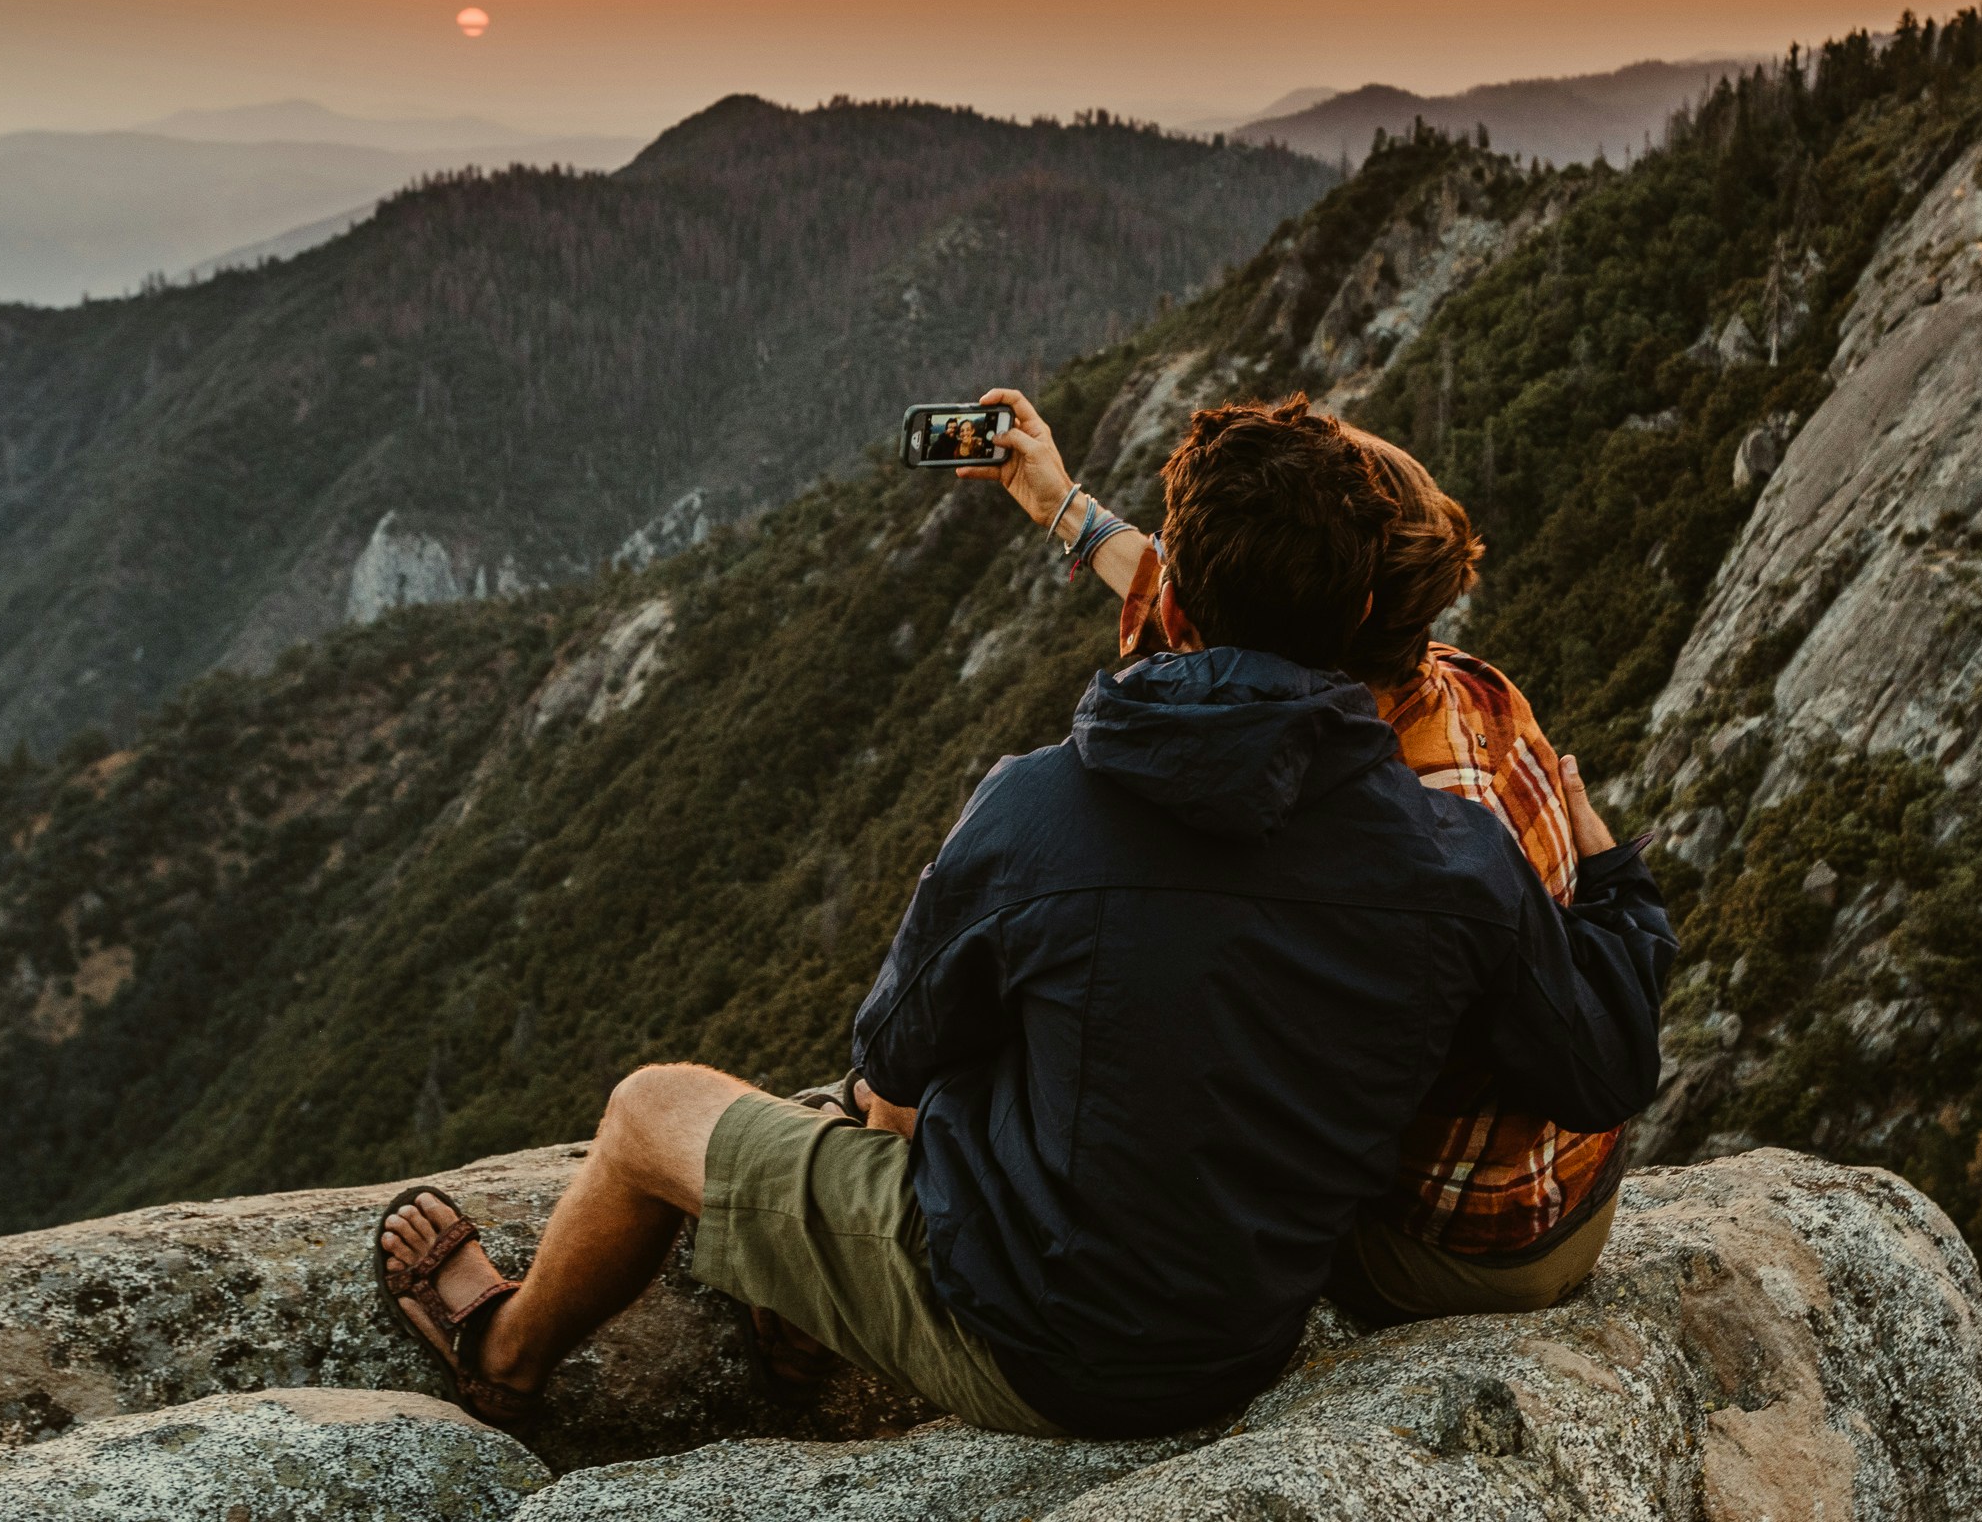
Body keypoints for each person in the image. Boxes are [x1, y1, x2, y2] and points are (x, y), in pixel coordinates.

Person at [376, 396, 1675, 1438]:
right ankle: (807, 1289)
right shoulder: (1457, 851)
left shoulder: (1038, 813)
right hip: (1250, 1329)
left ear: (1187, 613)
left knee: (658, 1106)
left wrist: (856, 1169)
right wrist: (1612, 881)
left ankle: (502, 1355)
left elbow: (895, 1072)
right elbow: (1602, 1060)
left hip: (1047, 1345)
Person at [957, 387, 1640, 1324]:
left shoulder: (1386, 810)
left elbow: (1224, 636)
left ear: (1334, 612)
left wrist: (1622, 891)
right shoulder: (1469, 687)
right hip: (1568, 1200)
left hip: (1453, 1247)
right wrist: (1062, 505)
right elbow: (1212, 611)